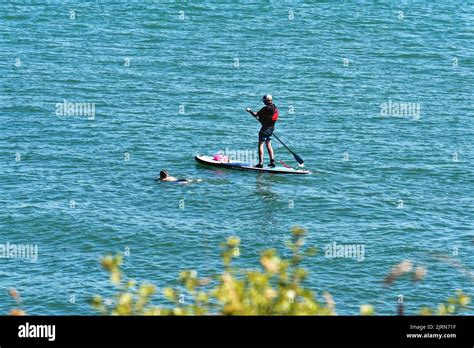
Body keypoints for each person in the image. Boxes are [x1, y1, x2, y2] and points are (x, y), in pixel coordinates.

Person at [246, 95, 278, 168]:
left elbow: (256, 114)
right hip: (271, 129)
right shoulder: (274, 107)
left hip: (264, 130)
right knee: (269, 144)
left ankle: (260, 163)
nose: (263, 102)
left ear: (266, 101)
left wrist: (250, 111)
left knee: (260, 145)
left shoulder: (266, 108)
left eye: (264, 100)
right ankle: (272, 162)